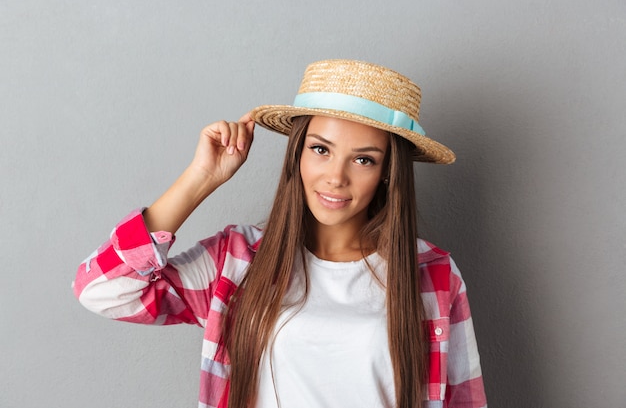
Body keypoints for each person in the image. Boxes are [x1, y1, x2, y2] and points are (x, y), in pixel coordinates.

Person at [73, 59, 487, 408]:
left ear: (386, 174)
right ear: (298, 153)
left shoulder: (431, 273)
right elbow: (102, 291)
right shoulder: (236, 260)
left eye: (363, 159)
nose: (335, 177)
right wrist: (200, 179)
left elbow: (465, 400)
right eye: (320, 149)